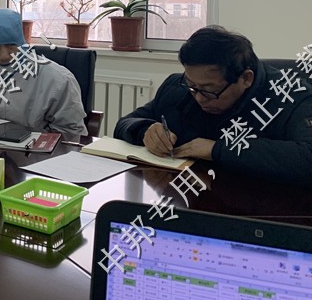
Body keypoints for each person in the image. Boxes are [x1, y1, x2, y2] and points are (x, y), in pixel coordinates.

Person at [114, 25, 312, 186]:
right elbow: (125, 123)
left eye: (209, 90)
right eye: (192, 85)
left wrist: (217, 149)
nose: (199, 98)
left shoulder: (292, 98)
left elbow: (307, 158)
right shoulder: (179, 88)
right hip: (189, 199)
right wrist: (145, 131)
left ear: (246, 78)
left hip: (264, 210)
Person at [0, 9, 87, 137]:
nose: (4, 56)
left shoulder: (57, 79)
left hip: (37, 149)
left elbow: (71, 133)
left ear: (22, 42)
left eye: (11, 45)